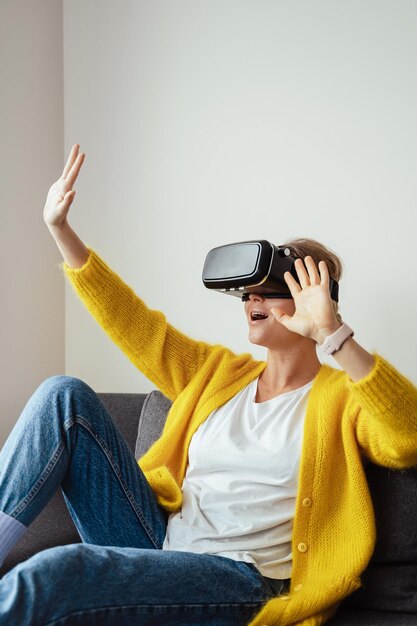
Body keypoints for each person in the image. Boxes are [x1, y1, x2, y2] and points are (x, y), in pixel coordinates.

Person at [0, 144, 416, 626]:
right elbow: (133, 324)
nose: (250, 300)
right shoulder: (218, 373)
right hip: (158, 546)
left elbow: (407, 439)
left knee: (58, 571)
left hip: (240, 577)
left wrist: (333, 334)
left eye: (268, 290)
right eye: (247, 292)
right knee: (62, 395)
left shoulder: (342, 398)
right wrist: (61, 230)